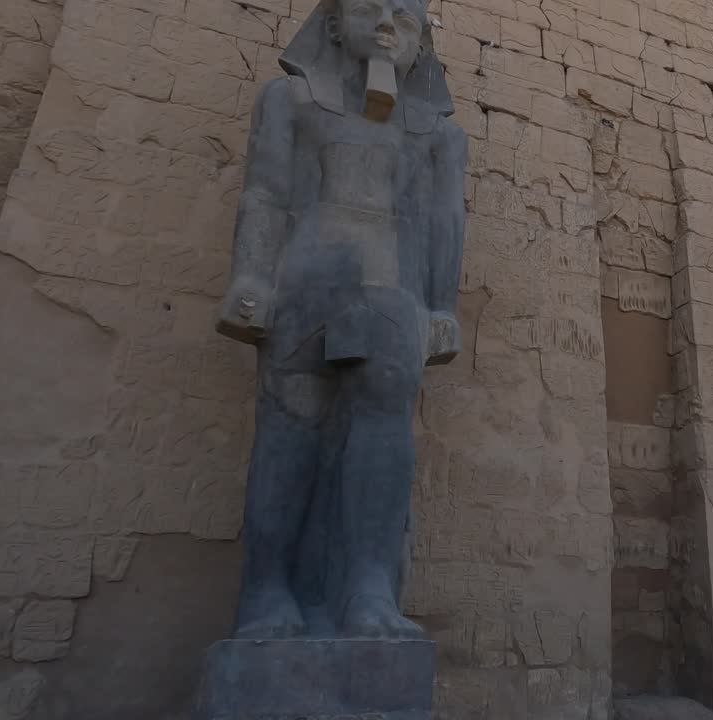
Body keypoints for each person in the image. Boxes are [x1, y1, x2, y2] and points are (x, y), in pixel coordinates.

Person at [214, 0, 466, 639]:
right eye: (368, 10)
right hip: (304, 285)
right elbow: (266, 193)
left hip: (391, 295)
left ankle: (368, 590)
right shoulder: (291, 100)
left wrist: (442, 307)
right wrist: (250, 278)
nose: (386, 26)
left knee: (383, 436)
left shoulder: (436, 134)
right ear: (331, 25)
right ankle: (267, 593)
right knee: (288, 430)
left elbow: (442, 226)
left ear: (421, 43)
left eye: (405, 20)